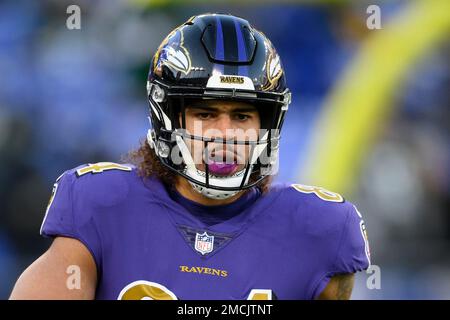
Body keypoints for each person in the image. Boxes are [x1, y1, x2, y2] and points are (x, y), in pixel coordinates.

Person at [9, 13, 370, 300]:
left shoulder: (322, 229)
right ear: (166, 114)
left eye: (242, 116)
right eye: (206, 113)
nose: (224, 133)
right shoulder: (101, 204)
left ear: (269, 123)